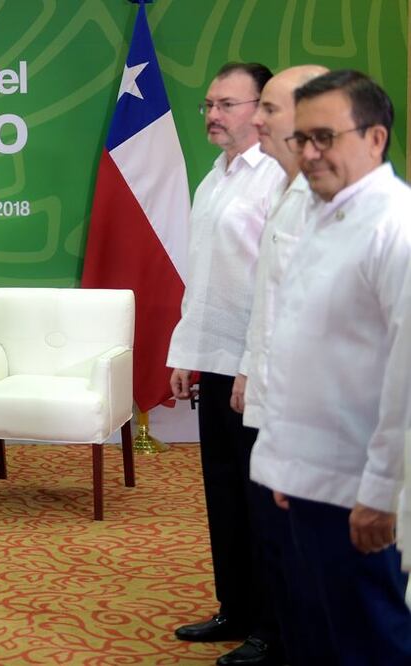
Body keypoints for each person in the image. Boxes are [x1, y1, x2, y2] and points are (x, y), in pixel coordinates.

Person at [250, 69, 411, 663]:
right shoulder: (321, 212)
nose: (311, 153)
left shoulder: (397, 226)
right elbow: (303, 346)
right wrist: (290, 461)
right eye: (302, 139)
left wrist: (382, 491)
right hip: (311, 477)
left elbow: (407, 377)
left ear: (375, 138)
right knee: (318, 630)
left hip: (363, 490)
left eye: (326, 138)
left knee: (371, 641)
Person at [166, 63, 286, 666]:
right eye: (208, 104)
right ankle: (234, 607)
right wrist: (187, 351)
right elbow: (205, 278)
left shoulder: (277, 181)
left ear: (261, 110)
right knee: (222, 493)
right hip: (213, 361)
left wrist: (246, 364)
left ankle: (272, 627)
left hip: (257, 368)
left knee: (260, 498)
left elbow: (274, 283)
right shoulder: (213, 180)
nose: (213, 114)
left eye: (227, 104)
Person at [231, 64, 329, 666]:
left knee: (318, 564)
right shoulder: (292, 196)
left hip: (317, 427)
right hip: (277, 410)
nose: (257, 120)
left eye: (269, 107)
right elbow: (268, 310)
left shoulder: (334, 205)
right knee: (280, 548)